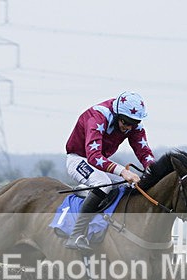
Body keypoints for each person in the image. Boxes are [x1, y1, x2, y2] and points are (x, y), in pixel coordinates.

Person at [63, 91, 156, 252]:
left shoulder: (133, 124)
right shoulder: (97, 117)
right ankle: (76, 234)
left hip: (99, 162)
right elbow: (93, 157)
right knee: (104, 183)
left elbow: (144, 152)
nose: (129, 128)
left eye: (133, 124)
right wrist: (123, 172)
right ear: (117, 114)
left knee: (128, 187)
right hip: (79, 159)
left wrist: (154, 171)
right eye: (126, 123)